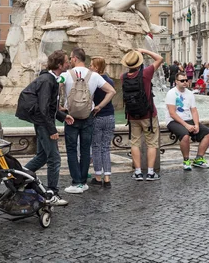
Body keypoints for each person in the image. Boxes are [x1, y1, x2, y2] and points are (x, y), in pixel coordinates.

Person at [16, 50, 73, 206]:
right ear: (60, 65)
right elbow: (43, 108)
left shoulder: (49, 79)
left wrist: (62, 117)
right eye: (66, 61)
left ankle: (17, 178)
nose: (69, 63)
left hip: (42, 122)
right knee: (54, 159)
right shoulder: (48, 81)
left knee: (42, 156)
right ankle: (52, 193)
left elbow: (48, 106)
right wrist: (52, 130)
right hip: (43, 123)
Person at [61, 48, 116, 194]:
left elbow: (54, 86)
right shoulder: (95, 76)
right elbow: (111, 91)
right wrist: (98, 106)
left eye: (71, 58)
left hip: (70, 116)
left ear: (74, 59)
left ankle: (76, 182)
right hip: (88, 116)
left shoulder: (65, 75)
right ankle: (83, 182)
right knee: (86, 150)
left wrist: (58, 107)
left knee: (72, 150)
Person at [121, 48, 163, 181]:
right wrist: (144, 51)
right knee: (152, 143)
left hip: (132, 115)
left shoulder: (123, 77)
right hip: (148, 114)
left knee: (135, 142)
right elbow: (159, 59)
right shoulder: (146, 73)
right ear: (139, 63)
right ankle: (150, 172)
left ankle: (138, 172)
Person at [166, 72, 209, 169]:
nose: (185, 82)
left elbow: (194, 110)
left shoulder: (190, 93)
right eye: (182, 81)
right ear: (176, 82)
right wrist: (186, 125)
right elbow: (172, 113)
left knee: (208, 134)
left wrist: (196, 124)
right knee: (185, 136)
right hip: (173, 121)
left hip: (188, 119)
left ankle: (199, 159)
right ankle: (186, 160)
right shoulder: (171, 93)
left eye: (186, 80)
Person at [89, 57, 115, 188]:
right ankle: (108, 178)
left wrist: (98, 106)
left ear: (97, 68)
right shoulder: (109, 80)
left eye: (91, 65)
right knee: (106, 147)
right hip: (110, 116)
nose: (89, 67)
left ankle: (98, 177)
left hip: (97, 117)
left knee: (96, 147)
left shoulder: (94, 80)